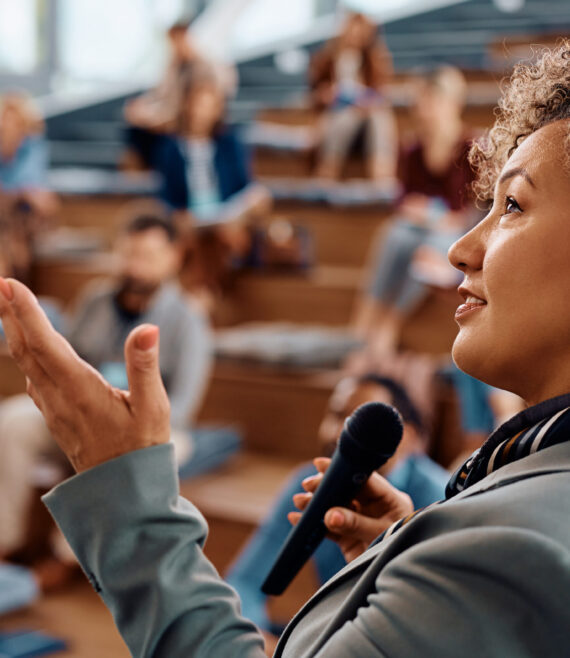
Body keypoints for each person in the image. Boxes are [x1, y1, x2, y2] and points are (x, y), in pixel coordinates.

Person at [1, 42, 570, 656]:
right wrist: (402, 559)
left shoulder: (508, 551)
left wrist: (123, 495)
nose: (461, 247)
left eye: (511, 204)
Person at [0, 213, 236, 579]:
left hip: (152, 428)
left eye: (148, 255)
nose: (135, 266)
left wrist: (115, 422)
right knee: (14, 421)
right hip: (81, 411)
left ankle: (67, 557)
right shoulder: (95, 299)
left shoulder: (189, 319)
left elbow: (184, 406)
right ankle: (7, 540)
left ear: (174, 257)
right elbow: (66, 362)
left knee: (140, 450)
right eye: (129, 254)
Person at [225, 374, 448, 638]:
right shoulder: (307, 481)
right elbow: (246, 582)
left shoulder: (440, 496)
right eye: (336, 416)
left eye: (359, 423)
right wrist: (255, 639)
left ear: (406, 437)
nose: (338, 433)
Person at [353, 66, 477, 352]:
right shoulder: (412, 149)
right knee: (394, 235)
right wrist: (415, 210)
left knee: (428, 251)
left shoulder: (472, 146)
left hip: (454, 230)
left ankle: (390, 324)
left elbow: (473, 208)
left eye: (430, 101)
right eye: (421, 102)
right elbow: (401, 198)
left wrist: (445, 218)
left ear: (450, 103)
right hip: (418, 225)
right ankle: (365, 320)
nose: (423, 110)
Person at [310, 12, 397, 181]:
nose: (354, 39)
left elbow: (381, 95)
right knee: (349, 117)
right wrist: (326, 95)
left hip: (367, 123)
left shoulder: (374, 62)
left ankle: (381, 173)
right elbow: (316, 96)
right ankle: (329, 169)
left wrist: (366, 103)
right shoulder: (327, 60)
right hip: (337, 118)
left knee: (378, 117)